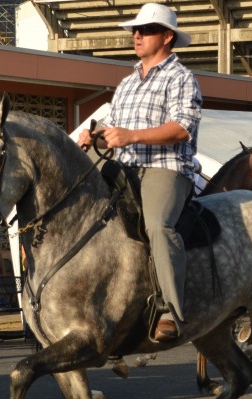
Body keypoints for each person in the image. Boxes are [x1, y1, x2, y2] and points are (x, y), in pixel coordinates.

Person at [76, 2, 201, 342]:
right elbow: (115, 125)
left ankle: (170, 309)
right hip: (125, 166)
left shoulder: (182, 77)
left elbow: (182, 128)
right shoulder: (128, 81)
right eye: (136, 30)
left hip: (165, 167)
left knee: (159, 226)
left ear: (167, 36)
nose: (137, 35)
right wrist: (96, 134)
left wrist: (130, 136)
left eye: (145, 30)